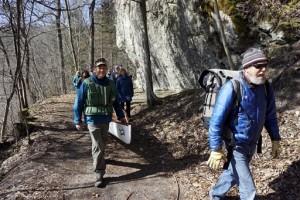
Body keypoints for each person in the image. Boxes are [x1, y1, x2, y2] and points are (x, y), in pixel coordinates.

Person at [207, 48, 281, 200]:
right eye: (258, 65)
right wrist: (215, 148)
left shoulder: (266, 87)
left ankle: (215, 194)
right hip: (236, 145)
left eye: (265, 65)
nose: (264, 69)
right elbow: (216, 121)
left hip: (252, 143)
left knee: (233, 172)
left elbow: (270, 116)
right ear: (247, 68)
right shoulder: (232, 87)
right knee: (249, 190)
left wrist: (275, 139)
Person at [74, 58, 127, 187]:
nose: (101, 70)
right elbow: (79, 102)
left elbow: (115, 102)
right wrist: (77, 120)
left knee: (103, 143)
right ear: (94, 69)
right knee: (97, 145)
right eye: (99, 68)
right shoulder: (86, 83)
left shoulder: (111, 84)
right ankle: (99, 173)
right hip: (92, 119)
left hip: (106, 119)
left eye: (103, 68)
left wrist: (121, 116)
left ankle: (100, 161)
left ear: (106, 69)